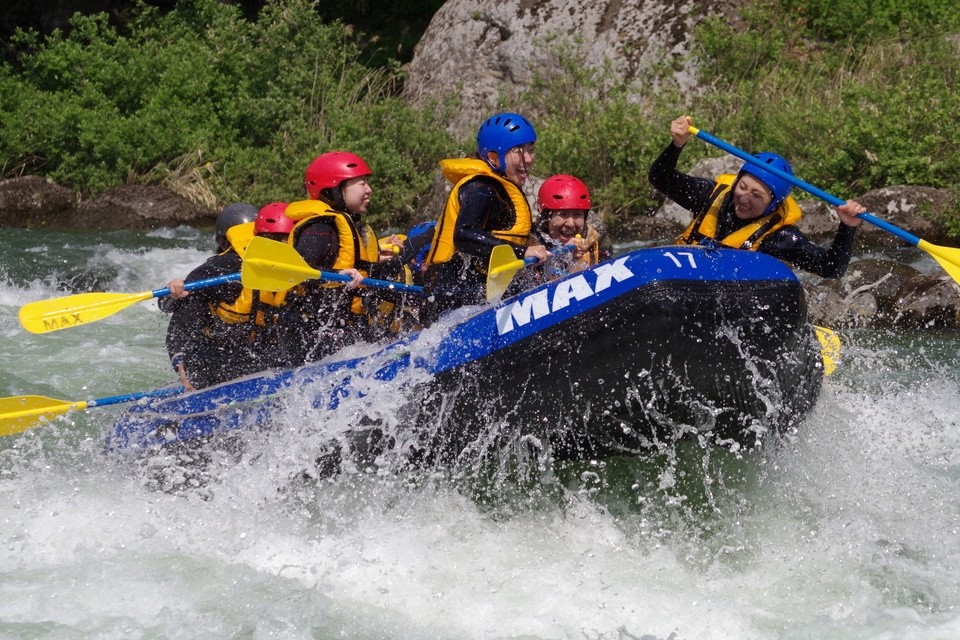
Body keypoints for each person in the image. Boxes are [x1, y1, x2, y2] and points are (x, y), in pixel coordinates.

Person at [648, 115, 867, 278]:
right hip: (682, 279)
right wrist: (677, 144)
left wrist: (847, 227)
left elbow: (830, 269)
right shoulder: (710, 196)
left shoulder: (777, 236)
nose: (744, 198)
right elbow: (660, 178)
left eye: (756, 195)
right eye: (742, 187)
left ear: (773, 204)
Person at [420, 112, 550, 324]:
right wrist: (523, 252)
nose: (528, 159)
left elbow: (519, 237)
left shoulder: (502, 189)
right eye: (519, 151)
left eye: (531, 150)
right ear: (492, 157)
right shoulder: (481, 188)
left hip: (480, 293)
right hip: (452, 299)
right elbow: (463, 235)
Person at [278, 151, 406, 364]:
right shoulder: (320, 228)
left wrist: (378, 260)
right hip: (311, 335)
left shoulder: (353, 226)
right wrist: (337, 274)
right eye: (362, 184)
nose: (369, 190)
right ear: (334, 190)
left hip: (345, 330)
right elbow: (296, 270)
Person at [163, 202, 297, 390]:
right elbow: (172, 314)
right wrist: (173, 291)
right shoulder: (219, 271)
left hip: (257, 356)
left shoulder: (291, 269)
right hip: (211, 361)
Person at [160, 202, 258, 306]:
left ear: (222, 242)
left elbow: (164, 305)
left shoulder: (212, 270)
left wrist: (172, 293)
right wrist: (175, 289)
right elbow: (164, 303)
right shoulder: (213, 272)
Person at [532, 174, 609, 281]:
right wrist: (564, 256)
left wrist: (575, 260)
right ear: (546, 217)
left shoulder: (595, 247)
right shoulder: (527, 245)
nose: (571, 224)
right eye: (563, 214)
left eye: (577, 214)